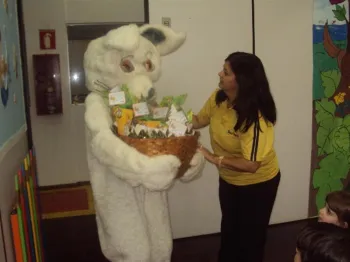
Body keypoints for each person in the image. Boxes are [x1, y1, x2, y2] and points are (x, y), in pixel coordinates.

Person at [194, 51, 280, 262]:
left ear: (241, 80)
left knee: (251, 239)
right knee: (230, 230)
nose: (219, 74)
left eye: (225, 72)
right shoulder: (218, 98)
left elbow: (252, 165)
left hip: (258, 184)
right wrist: (171, 118)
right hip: (230, 179)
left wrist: (212, 157)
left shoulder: (255, 117)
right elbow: (198, 121)